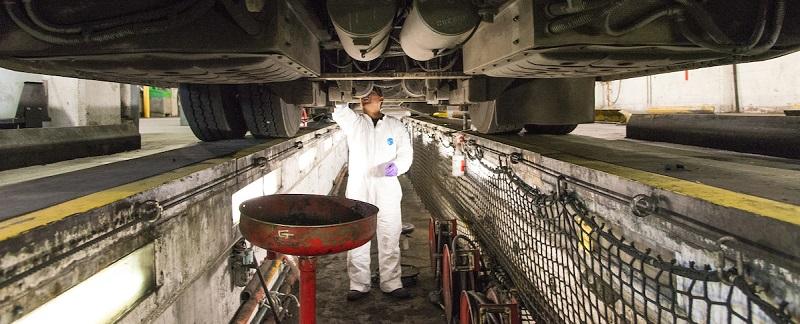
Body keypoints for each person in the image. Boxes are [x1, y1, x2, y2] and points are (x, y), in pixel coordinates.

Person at [332, 87, 413, 301]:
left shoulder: (395, 126)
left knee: (389, 234)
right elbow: (340, 111)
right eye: (363, 93)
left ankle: (392, 282)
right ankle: (358, 284)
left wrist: (397, 167)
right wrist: (340, 95)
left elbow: (406, 153)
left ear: (381, 99)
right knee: (358, 235)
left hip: (386, 187)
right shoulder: (355, 123)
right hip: (359, 188)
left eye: (372, 92)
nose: (367, 96)